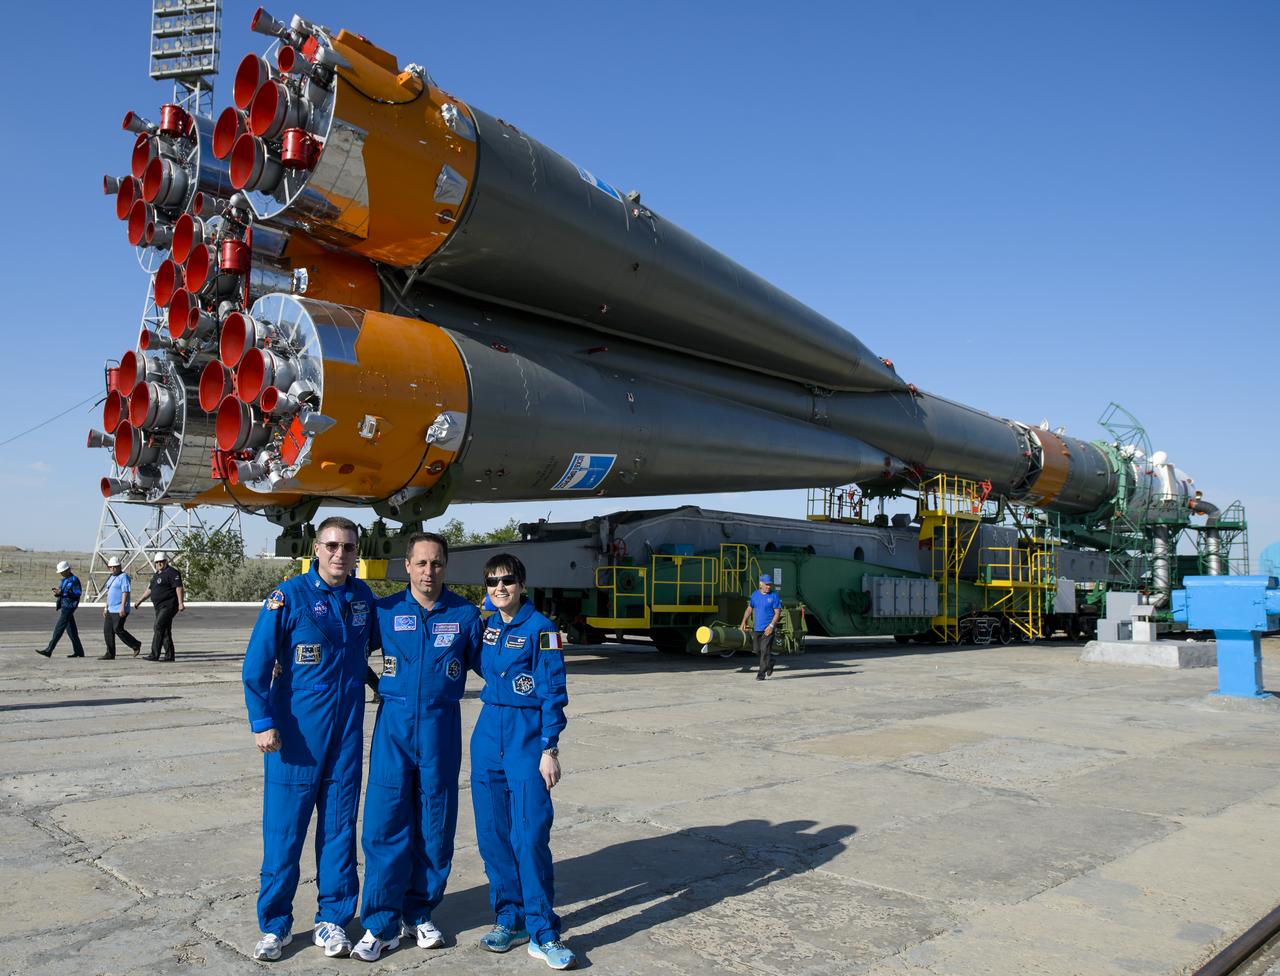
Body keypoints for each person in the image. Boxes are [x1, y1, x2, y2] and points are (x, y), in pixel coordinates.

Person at [241, 517, 376, 962]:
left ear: (358, 552)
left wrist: (380, 681)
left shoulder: (362, 598)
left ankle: (333, 920)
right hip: (295, 737)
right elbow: (257, 665)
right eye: (333, 546)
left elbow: (362, 653)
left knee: (339, 832)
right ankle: (275, 925)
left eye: (349, 547)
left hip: (345, 737)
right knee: (284, 834)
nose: (341, 554)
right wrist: (262, 721)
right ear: (316, 548)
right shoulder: (288, 596)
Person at [351, 532, 484, 962]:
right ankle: (380, 924)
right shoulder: (385, 610)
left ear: (446, 567)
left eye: (437, 564)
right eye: (421, 563)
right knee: (384, 823)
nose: (429, 572)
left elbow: (495, 664)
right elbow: (347, 649)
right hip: (394, 725)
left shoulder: (464, 614)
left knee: (435, 822)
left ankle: (419, 911)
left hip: (441, 725)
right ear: (406, 566)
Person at [471, 553, 575, 970]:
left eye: (507, 580)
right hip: (487, 735)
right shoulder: (489, 627)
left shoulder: (543, 630)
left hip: (526, 739)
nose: (500, 587)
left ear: (522, 584)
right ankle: (509, 917)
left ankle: (543, 931)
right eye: (493, 581)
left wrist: (550, 749)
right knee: (492, 836)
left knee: (529, 837)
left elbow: (554, 691)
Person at [134, 552, 185, 662]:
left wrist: (180, 603)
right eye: (157, 562)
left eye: (161, 562)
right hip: (158, 606)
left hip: (169, 605)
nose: (159, 564)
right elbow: (150, 589)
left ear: (166, 561)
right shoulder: (157, 574)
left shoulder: (172, 573)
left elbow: (178, 588)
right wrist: (140, 600)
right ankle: (169, 656)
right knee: (165, 630)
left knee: (158, 626)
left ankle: (154, 654)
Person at [37, 560, 85, 659]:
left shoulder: (74, 580)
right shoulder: (64, 580)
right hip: (64, 606)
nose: (61, 574)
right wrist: (58, 593)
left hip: (69, 607)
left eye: (62, 572)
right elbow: (62, 592)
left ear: (68, 570)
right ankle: (79, 651)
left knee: (58, 629)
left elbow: (77, 593)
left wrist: (63, 593)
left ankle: (49, 650)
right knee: (71, 631)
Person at [739, 572, 782, 679]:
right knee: (757, 650)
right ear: (760, 584)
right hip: (757, 628)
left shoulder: (774, 596)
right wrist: (743, 621)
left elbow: (777, 612)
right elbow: (749, 608)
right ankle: (771, 661)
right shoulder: (755, 595)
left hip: (768, 629)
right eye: (766, 584)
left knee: (764, 650)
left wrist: (771, 626)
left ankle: (761, 674)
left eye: (770, 584)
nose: (768, 586)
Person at [100, 556, 142, 660]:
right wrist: (106, 607)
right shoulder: (112, 577)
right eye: (110, 567)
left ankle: (135, 644)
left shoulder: (124, 577)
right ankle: (110, 653)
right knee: (107, 631)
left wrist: (122, 607)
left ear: (119, 566)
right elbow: (109, 594)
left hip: (119, 609)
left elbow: (125, 592)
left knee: (118, 629)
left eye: (114, 567)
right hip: (111, 609)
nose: (112, 569)